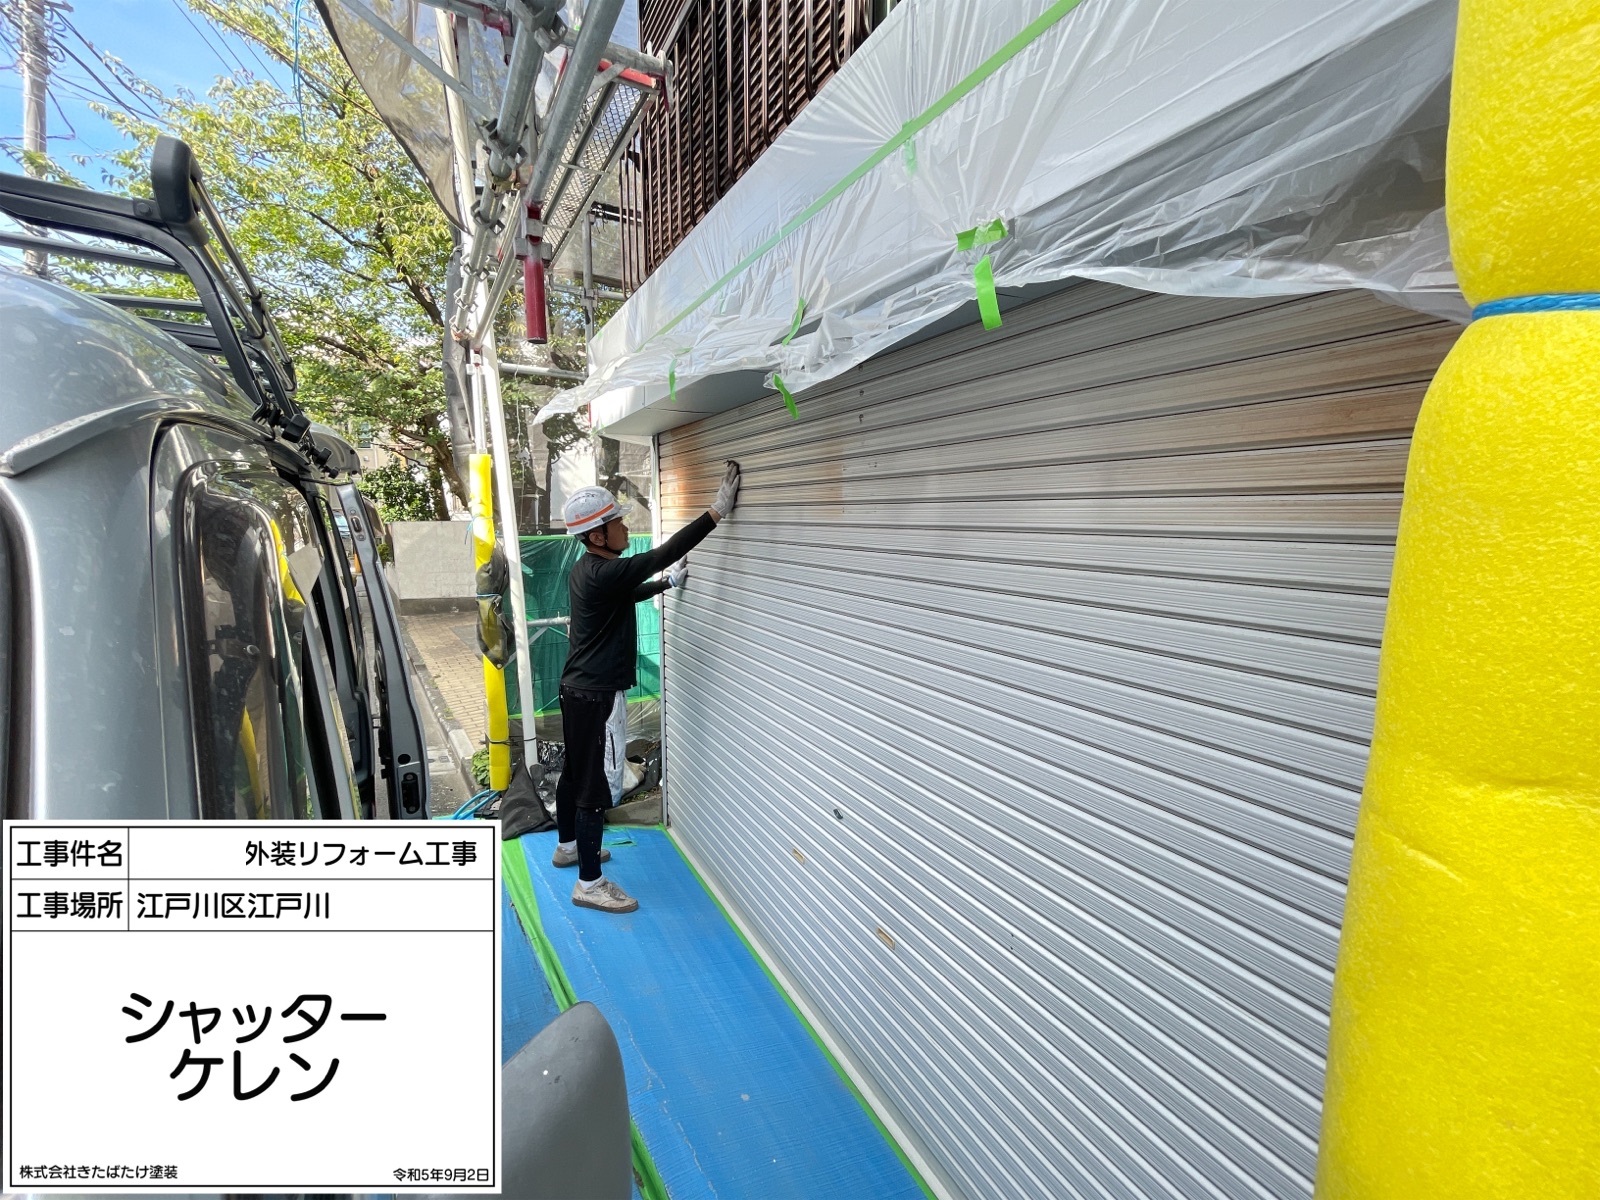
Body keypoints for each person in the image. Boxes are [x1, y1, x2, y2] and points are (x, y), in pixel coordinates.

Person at [552, 460, 742, 912]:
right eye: (616, 522)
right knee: (596, 787)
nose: (625, 527)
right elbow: (661, 552)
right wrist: (716, 511)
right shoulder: (605, 572)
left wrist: (666, 583)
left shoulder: (589, 569)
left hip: (577, 691)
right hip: (598, 697)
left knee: (576, 773)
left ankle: (567, 847)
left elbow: (628, 590)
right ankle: (589, 883)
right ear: (597, 536)